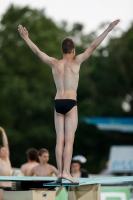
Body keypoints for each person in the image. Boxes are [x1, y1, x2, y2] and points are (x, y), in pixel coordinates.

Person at [18, 19, 120, 183]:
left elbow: (38, 52)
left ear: (62, 50)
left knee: (59, 140)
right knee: (69, 140)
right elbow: (93, 46)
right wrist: (108, 30)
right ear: (73, 50)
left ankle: (59, 172)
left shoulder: (54, 63)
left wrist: (26, 38)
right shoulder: (76, 62)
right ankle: (66, 172)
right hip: (71, 103)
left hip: (58, 102)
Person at [0, 127, 12, 200]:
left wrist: (3, 131)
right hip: (1, 187)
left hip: (9, 187)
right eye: (3, 150)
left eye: (5, 150)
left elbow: (6, 144)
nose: (5, 151)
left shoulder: (7, 159)